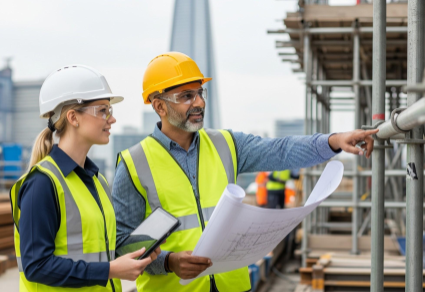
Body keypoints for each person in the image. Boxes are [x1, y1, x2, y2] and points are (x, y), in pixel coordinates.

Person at [112, 52, 378, 292]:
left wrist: (333, 141)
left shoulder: (225, 144)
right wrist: (169, 262)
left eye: (200, 92)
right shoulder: (134, 163)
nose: (199, 103)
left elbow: (280, 150)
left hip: (233, 286)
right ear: (159, 106)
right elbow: (124, 245)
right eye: (186, 96)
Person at [9, 65, 160, 292]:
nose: (112, 119)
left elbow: (97, 248)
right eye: (102, 111)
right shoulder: (42, 184)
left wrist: (137, 250)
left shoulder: (97, 181)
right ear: (73, 117)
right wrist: (110, 270)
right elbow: (36, 266)